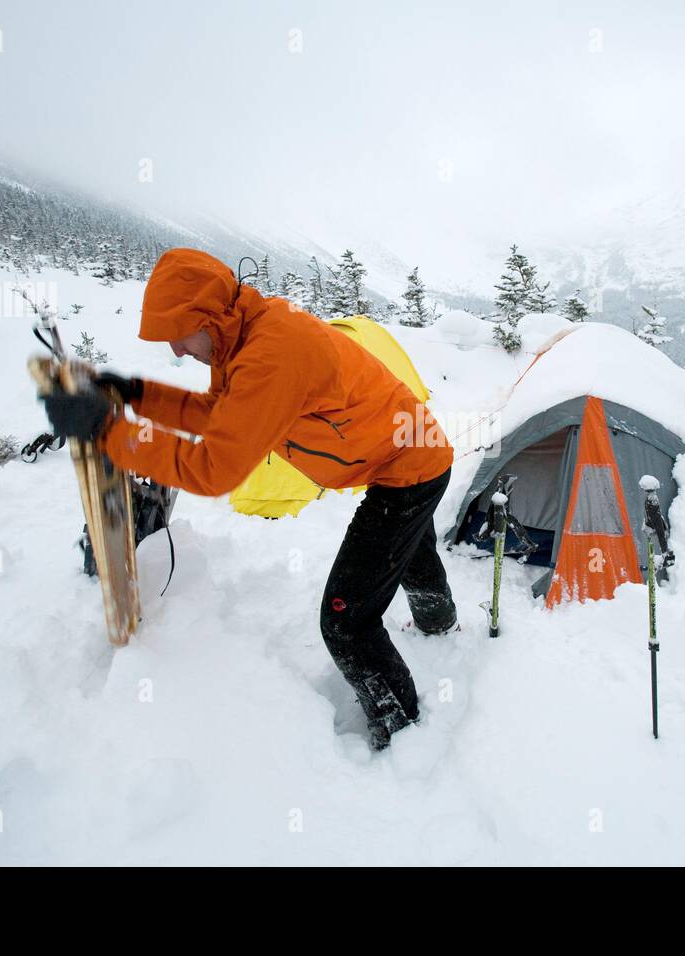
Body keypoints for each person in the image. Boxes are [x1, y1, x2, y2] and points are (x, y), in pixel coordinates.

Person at [41, 248, 458, 749]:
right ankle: (439, 620)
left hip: (409, 467)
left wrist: (109, 432)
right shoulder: (242, 338)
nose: (175, 349)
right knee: (408, 546)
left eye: (178, 331)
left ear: (208, 315)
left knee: (346, 622)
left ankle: (405, 733)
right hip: (409, 449)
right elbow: (218, 414)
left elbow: (213, 468)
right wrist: (131, 393)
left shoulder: (271, 354)